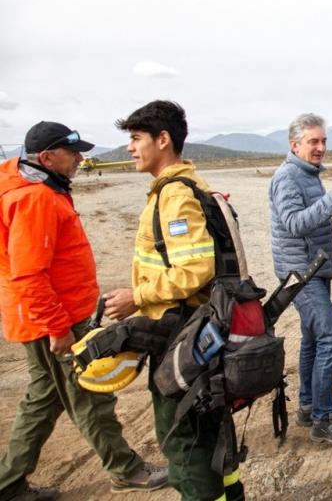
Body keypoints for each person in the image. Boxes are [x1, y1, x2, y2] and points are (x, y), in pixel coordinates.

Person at [0, 121, 167, 501]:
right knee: (90, 395)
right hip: (52, 319)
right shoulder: (34, 199)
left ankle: (7, 484)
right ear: (46, 158)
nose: (80, 159)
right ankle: (126, 471)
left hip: (49, 315)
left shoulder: (41, 188)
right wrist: (59, 328)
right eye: (72, 152)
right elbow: (29, 275)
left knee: (43, 400)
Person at [102, 101, 243, 501]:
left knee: (185, 444)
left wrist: (137, 297)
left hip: (182, 341)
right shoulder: (181, 189)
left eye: (135, 138)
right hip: (193, 335)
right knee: (211, 440)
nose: (130, 148)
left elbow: (195, 269)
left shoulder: (175, 196)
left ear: (163, 140)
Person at [269, 113, 332, 447]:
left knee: (312, 339)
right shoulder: (287, 178)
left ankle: (308, 405)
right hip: (300, 275)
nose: (320, 147)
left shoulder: (308, 174)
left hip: (314, 271)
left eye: (323, 141)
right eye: (313, 141)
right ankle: (324, 419)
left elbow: (309, 218)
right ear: (295, 145)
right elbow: (295, 223)